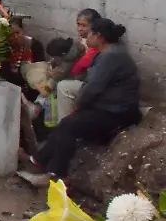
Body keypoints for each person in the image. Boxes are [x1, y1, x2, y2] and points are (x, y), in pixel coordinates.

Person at [32, 18, 141, 179]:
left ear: (99, 36)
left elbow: (93, 87)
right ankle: (39, 161)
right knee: (67, 123)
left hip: (117, 113)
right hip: (109, 106)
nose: (85, 38)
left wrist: (78, 105)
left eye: (89, 34)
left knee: (69, 125)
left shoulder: (111, 57)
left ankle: (55, 173)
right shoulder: (110, 54)